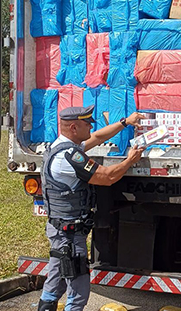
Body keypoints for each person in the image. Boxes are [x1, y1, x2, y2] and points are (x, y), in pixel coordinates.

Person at [38, 105, 144, 311]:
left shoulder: (59, 147)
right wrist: (130, 160)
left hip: (60, 232)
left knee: (55, 282)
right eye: (87, 124)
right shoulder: (69, 158)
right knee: (78, 293)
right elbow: (107, 177)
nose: (91, 127)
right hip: (69, 235)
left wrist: (124, 123)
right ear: (74, 127)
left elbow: (96, 137)